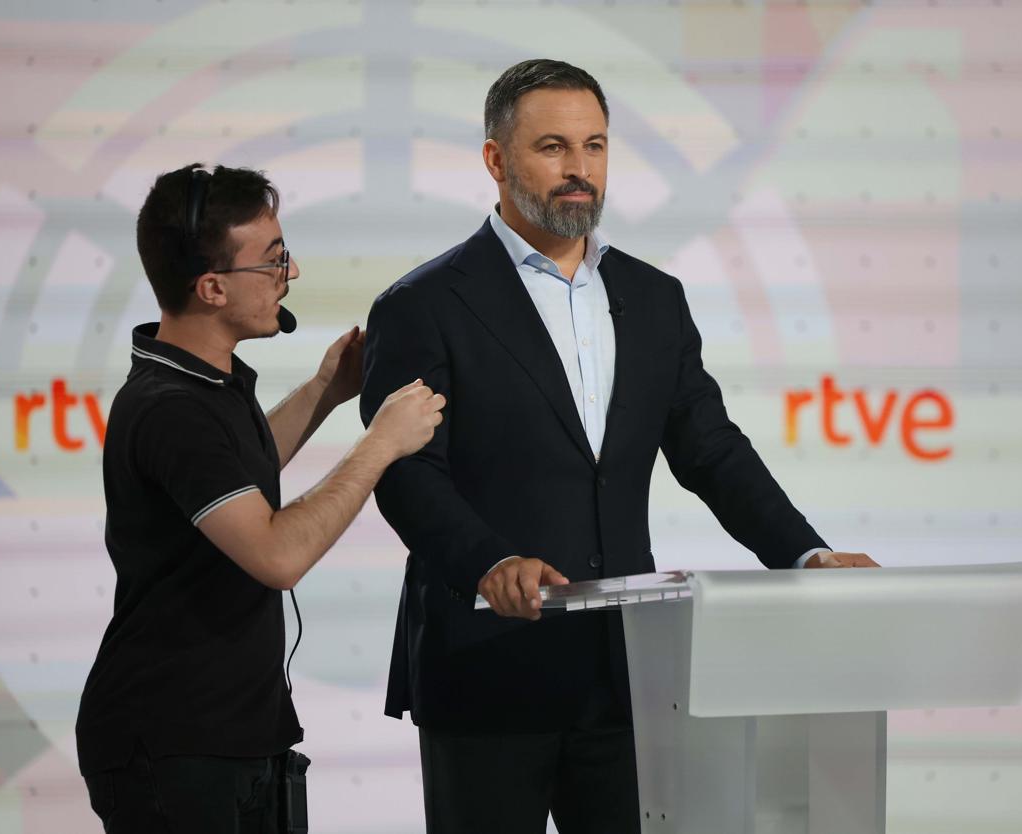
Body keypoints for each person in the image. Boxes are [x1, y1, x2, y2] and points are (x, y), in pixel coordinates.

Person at [360, 59, 879, 833]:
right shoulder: (422, 305)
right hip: (486, 667)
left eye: (595, 146)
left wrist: (805, 556)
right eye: (554, 147)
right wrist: (488, 563)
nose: (579, 170)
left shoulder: (655, 298)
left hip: (626, 676)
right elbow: (406, 476)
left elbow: (711, 451)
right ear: (497, 161)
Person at [75, 163, 446, 834]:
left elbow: (231, 477)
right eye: (272, 263)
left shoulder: (199, 385)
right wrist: (379, 444)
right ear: (212, 286)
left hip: (233, 735)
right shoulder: (173, 410)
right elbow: (276, 554)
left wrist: (324, 392)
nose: (289, 276)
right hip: (175, 744)